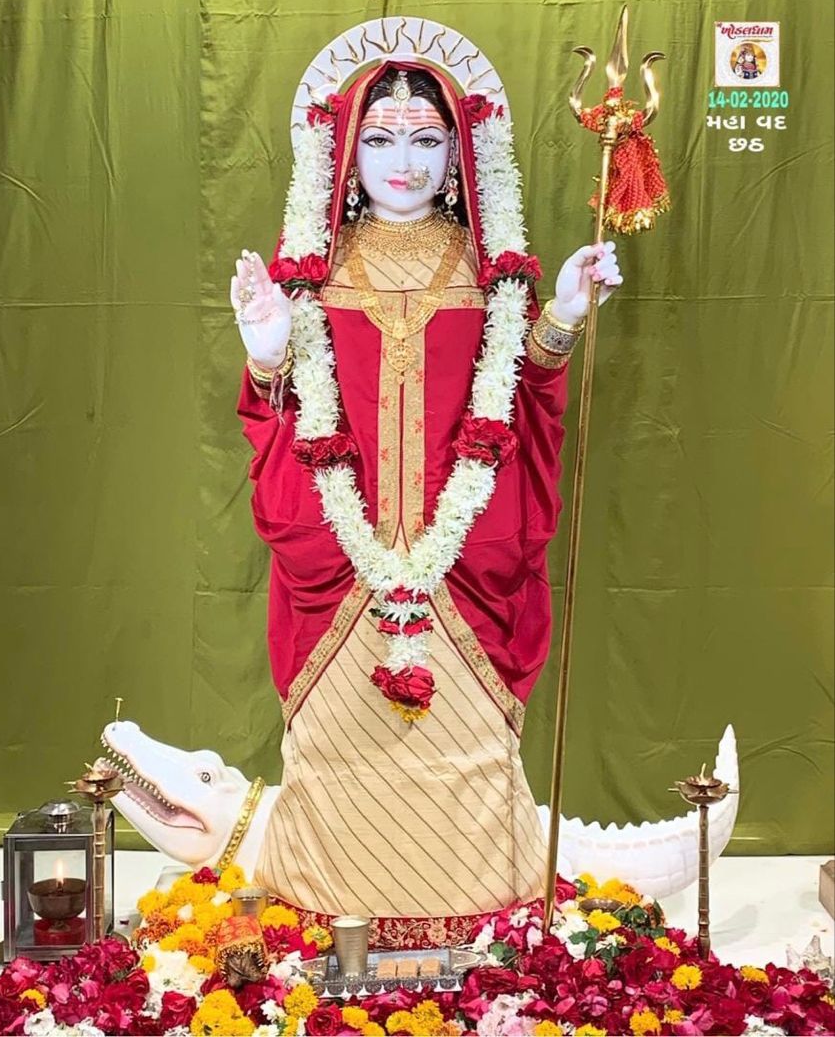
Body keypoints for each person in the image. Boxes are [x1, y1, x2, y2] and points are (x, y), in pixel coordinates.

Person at [230, 59, 622, 948]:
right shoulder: (312, 271)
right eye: (378, 141)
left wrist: (561, 314)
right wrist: (266, 351)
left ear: (458, 155)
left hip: (464, 556)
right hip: (341, 556)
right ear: (344, 155)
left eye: (424, 140)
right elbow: (274, 412)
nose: (402, 163)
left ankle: (481, 911)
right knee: (336, 748)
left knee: (469, 746)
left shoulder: (491, 273)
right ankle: (329, 910)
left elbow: (527, 396)